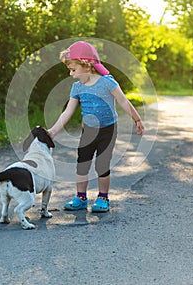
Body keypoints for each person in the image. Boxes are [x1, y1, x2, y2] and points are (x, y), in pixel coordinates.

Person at [48, 41, 144, 212]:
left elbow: (123, 100)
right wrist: (53, 131)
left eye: (73, 69)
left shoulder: (107, 82)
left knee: (102, 164)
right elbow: (67, 112)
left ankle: (103, 197)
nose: (71, 74)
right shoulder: (77, 87)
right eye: (70, 70)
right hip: (89, 131)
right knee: (82, 163)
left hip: (108, 129)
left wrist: (137, 119)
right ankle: (81, 197)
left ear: (86, 65)